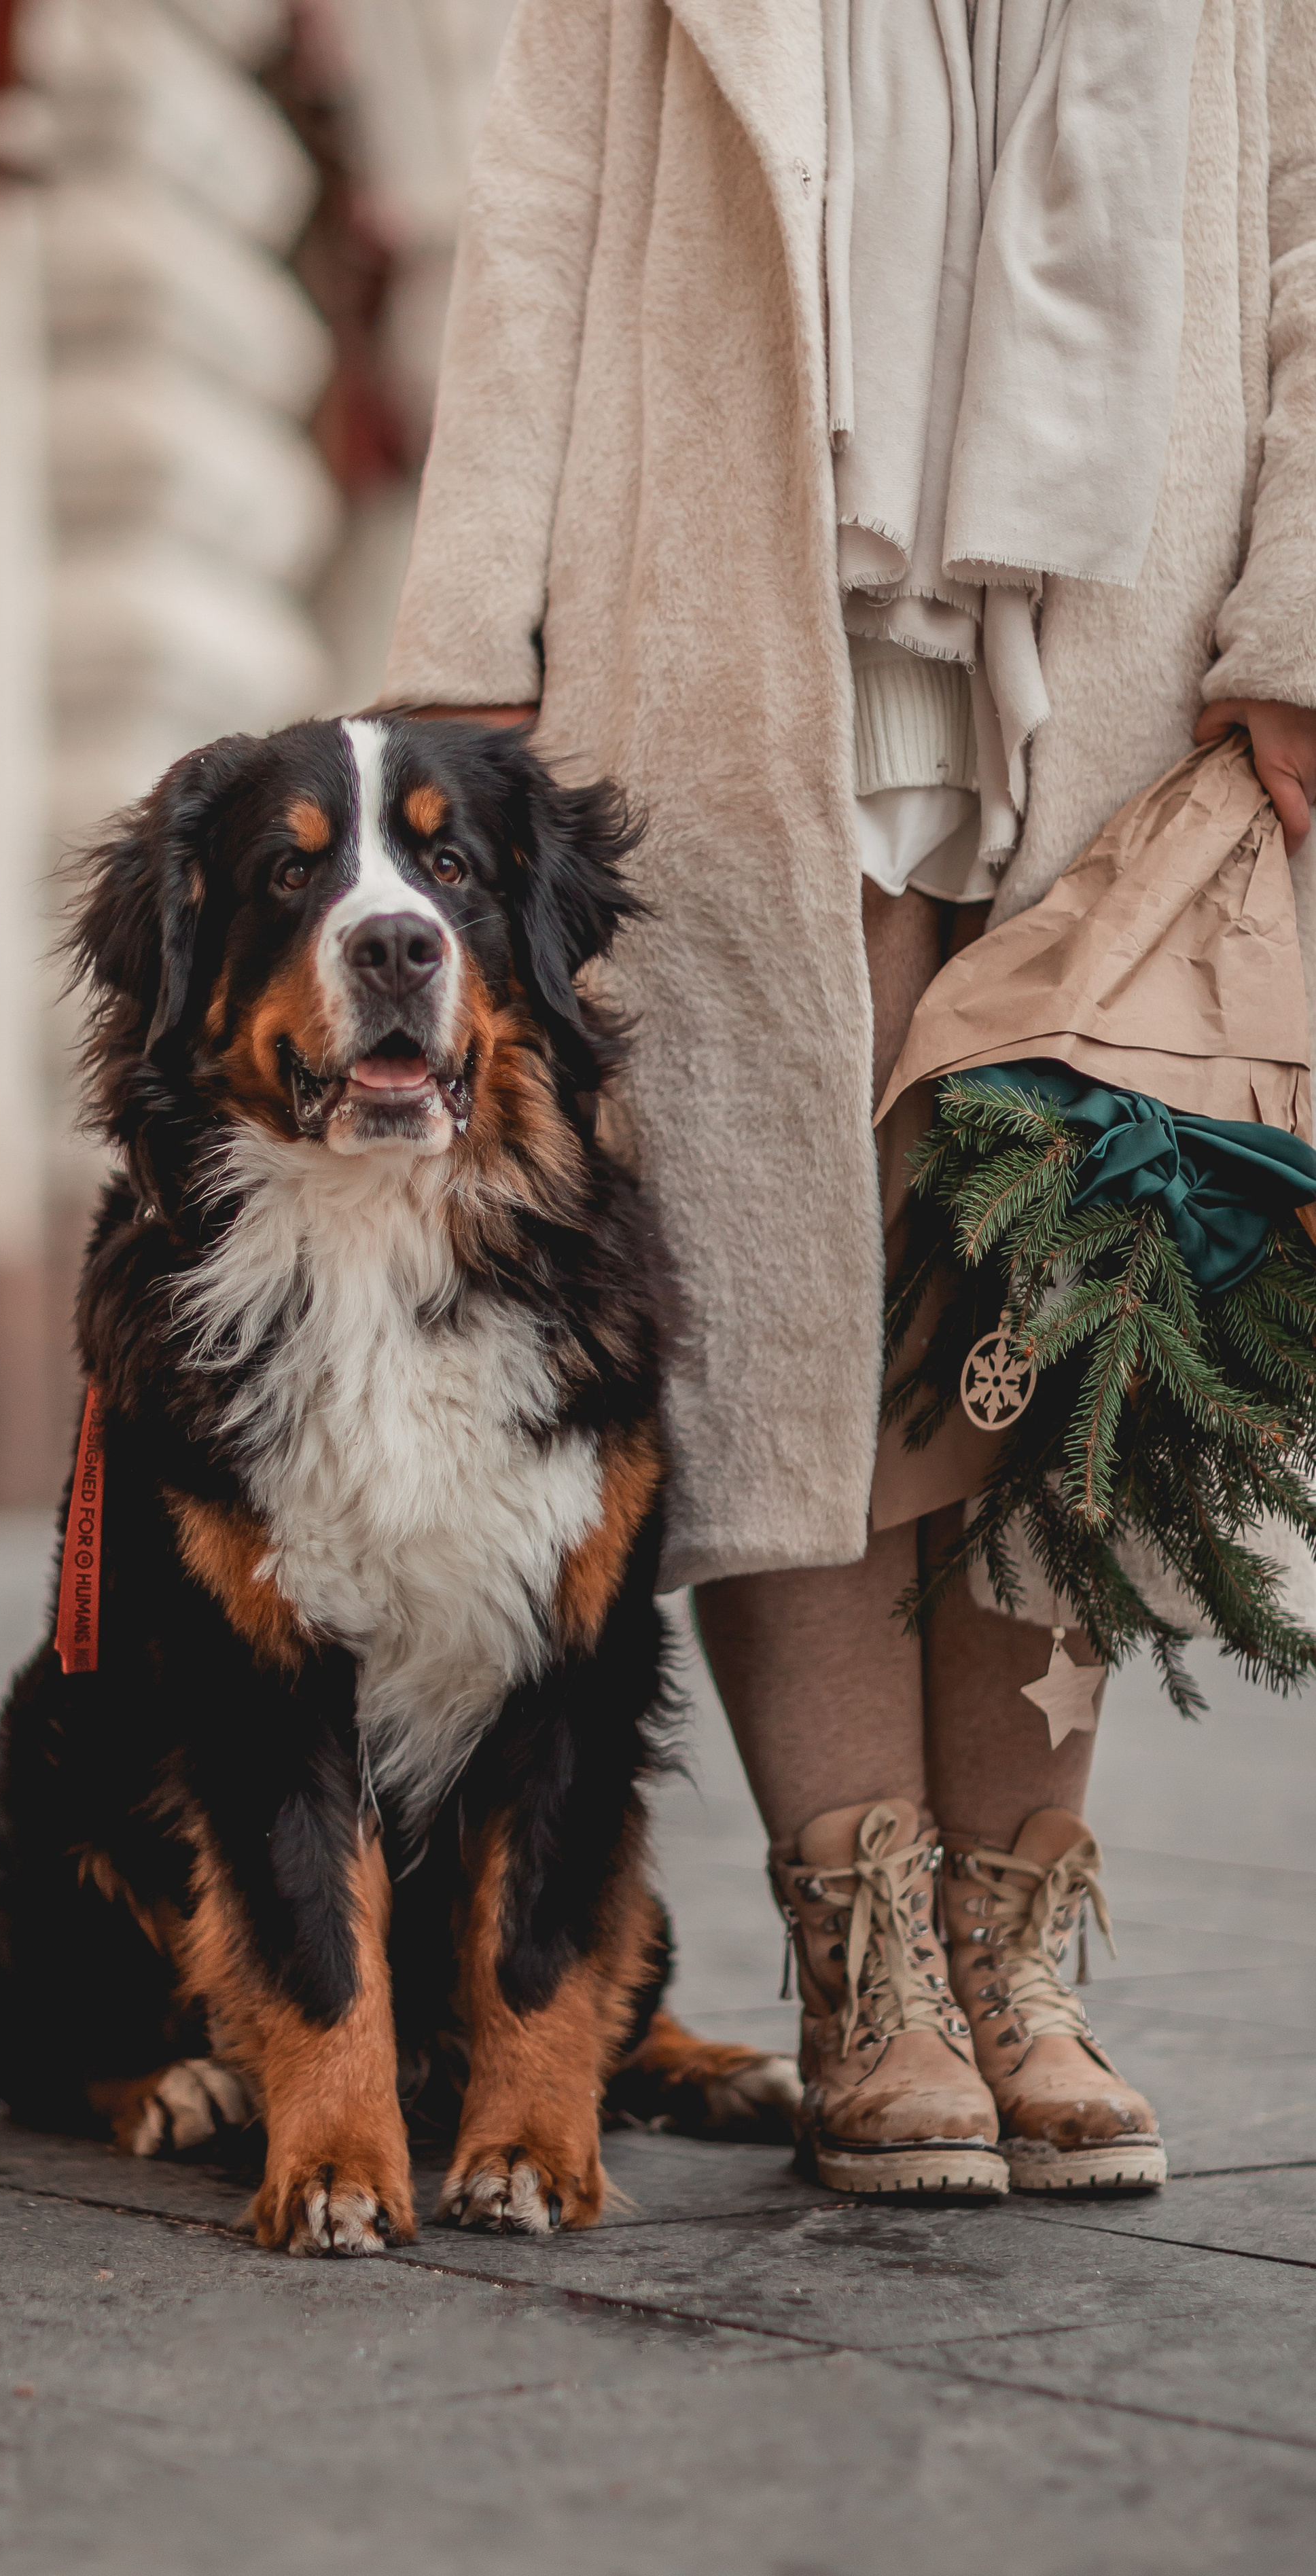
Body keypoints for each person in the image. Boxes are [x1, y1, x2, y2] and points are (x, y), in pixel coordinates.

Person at [381, 0, 1316, 2195]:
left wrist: (1302, 629)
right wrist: (467, 639)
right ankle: (865, 1952)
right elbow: (534, 222)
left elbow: (1307, 226)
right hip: (715, 630)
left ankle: (1020, 1948)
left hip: (1120, 652)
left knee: (1062, 1277)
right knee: (792, 1286)